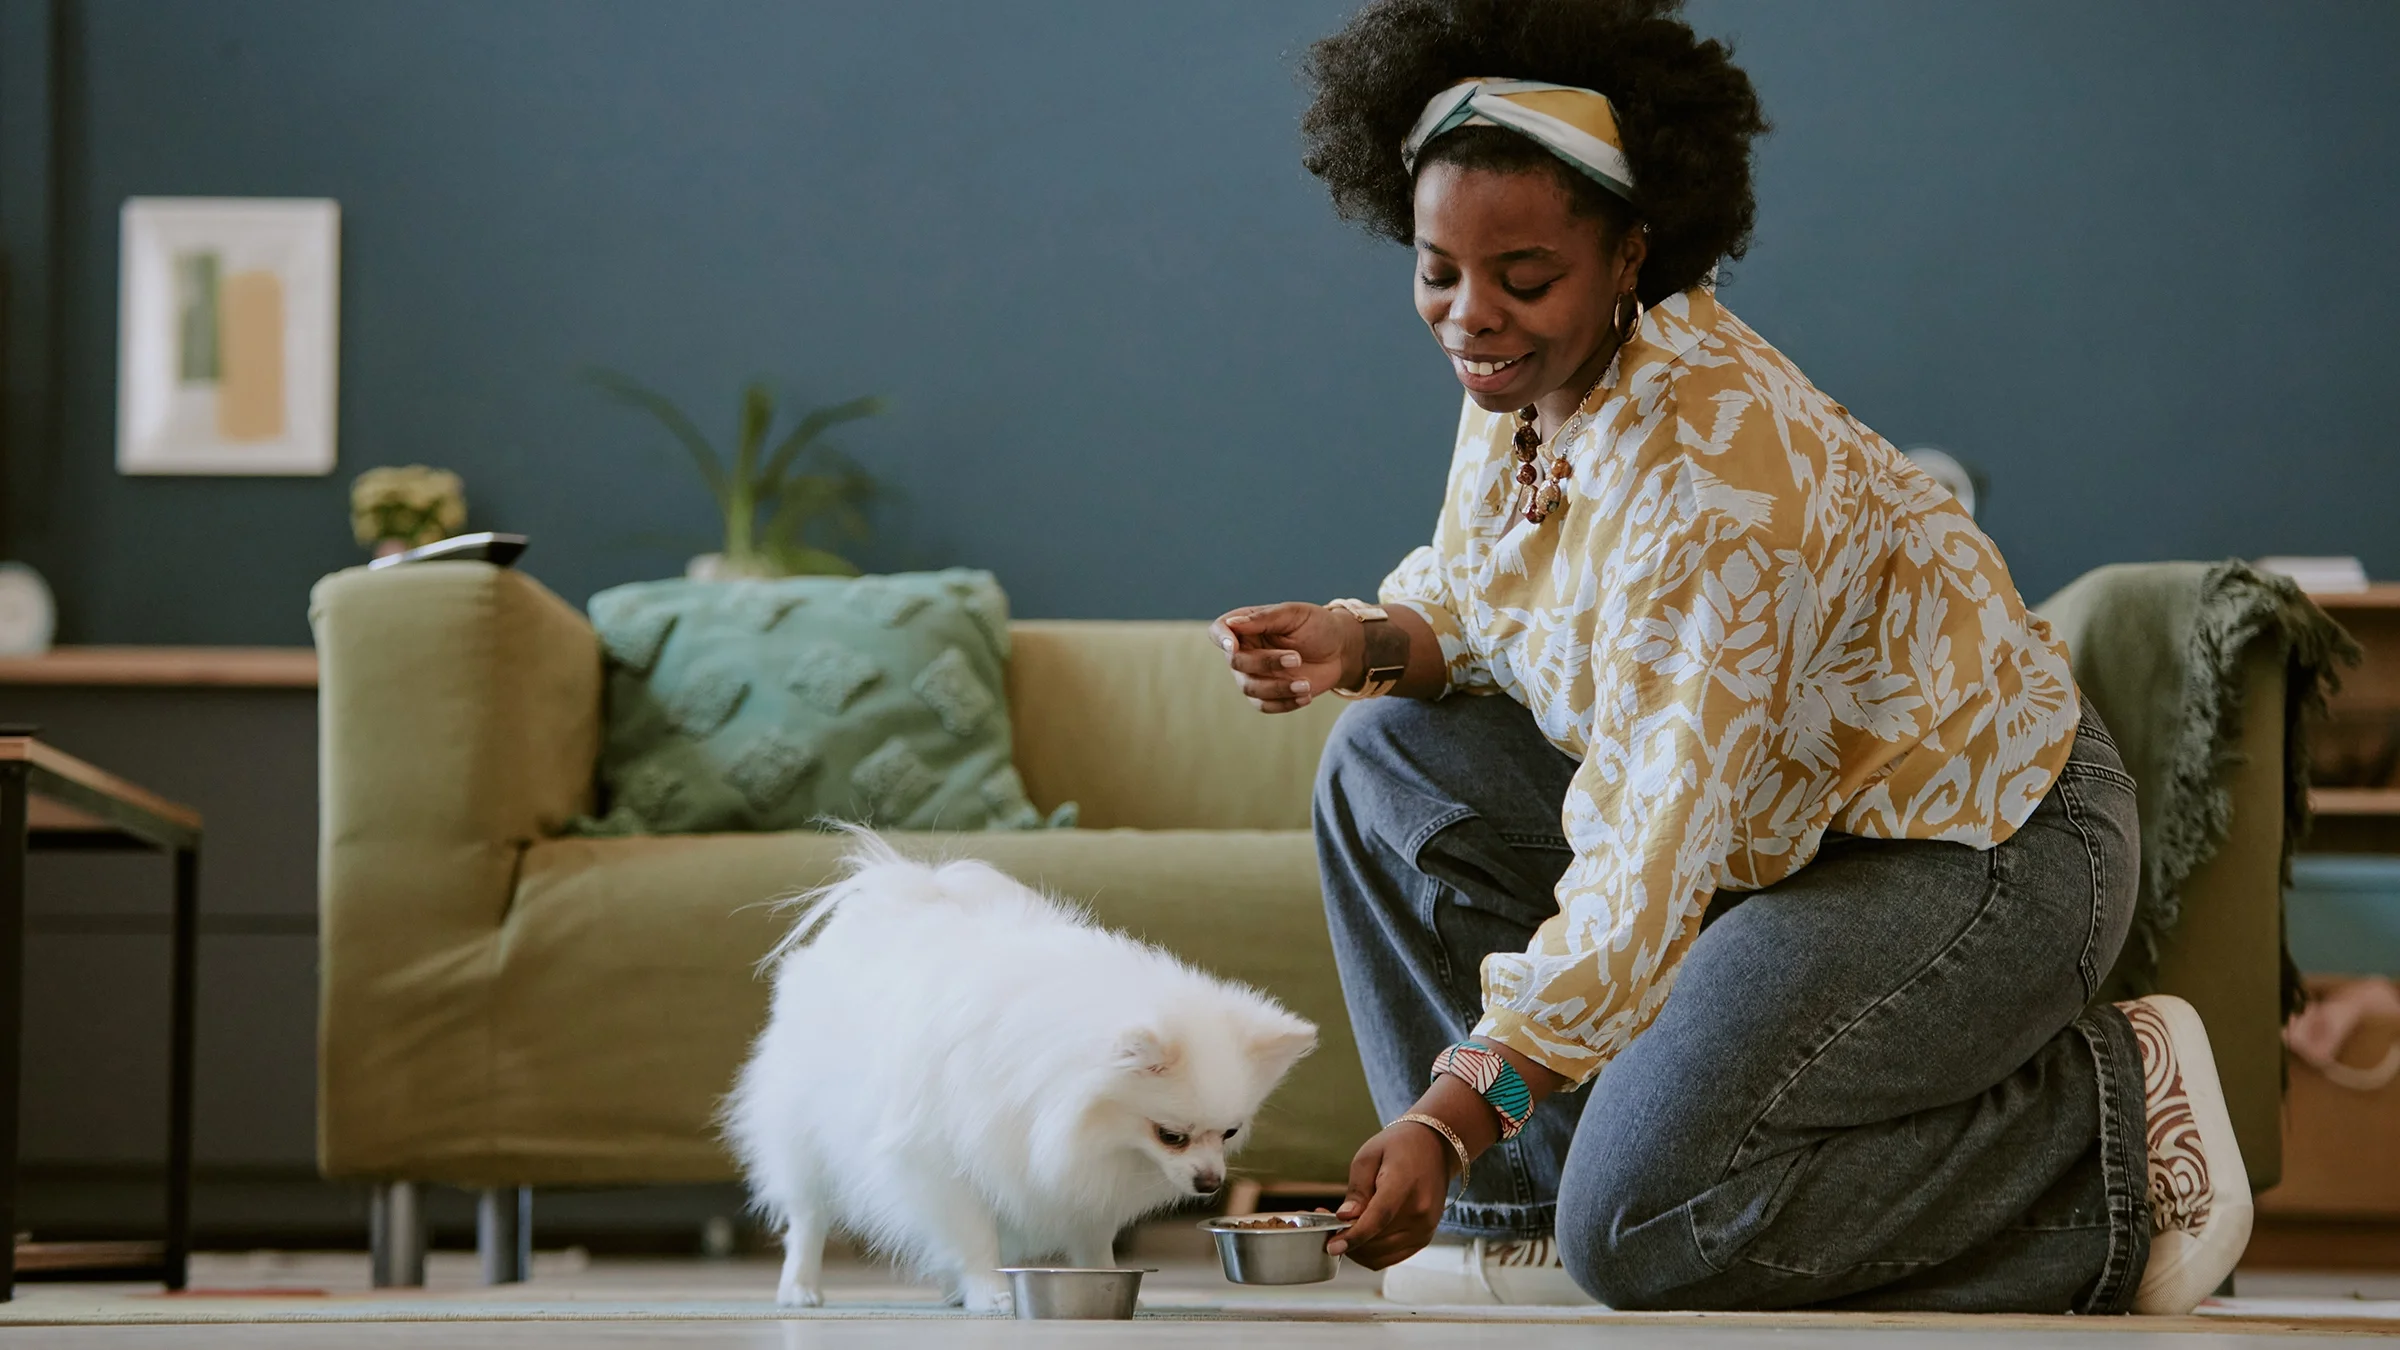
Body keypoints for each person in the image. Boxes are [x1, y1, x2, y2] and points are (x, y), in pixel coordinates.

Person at [1211, 0, 2250, 1315]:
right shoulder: (1539, 377)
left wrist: (1454, 1107)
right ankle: (1519, 1219)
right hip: (1791, 842)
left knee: (1642, 1218)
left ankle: (2108, 1126)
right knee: (1383, 754)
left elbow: (1652, 854)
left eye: (1521, 276)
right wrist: (1359, 641)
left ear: (1630, 253)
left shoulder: (1714, 491)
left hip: (1978, 852)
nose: (1469, 316)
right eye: (1437, 270)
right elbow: (1486, 604)